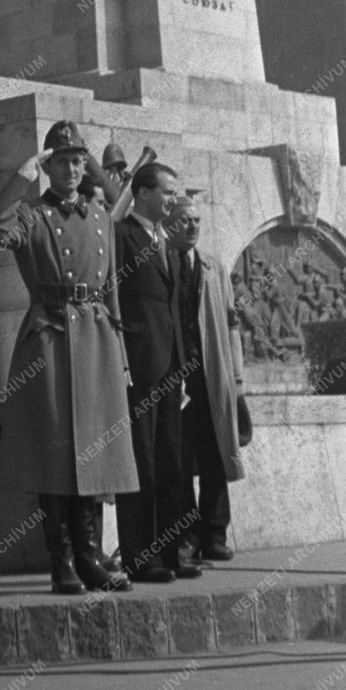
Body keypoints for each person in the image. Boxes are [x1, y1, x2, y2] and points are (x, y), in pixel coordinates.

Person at [0, 121, 136, 595]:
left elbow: (111, 288)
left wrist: (121, 351)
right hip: (50, 335)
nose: (71, 169)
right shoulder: (33, 216)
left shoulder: (101, 216)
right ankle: (62, 557)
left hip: (97, 338)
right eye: (62, 160)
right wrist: (24, 173)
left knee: (98, 451)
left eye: (77, 160)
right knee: (56, 453)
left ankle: (91, 554)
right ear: (49, 167)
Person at [114, 162, 203, 584]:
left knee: (171, 461)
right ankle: (140, 555)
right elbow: (112, 300)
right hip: (138, 366)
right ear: (143, 192)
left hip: (169, 367)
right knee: (142, 462)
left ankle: (171, 551)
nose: (172, 200)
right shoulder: (120, 237)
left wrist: (182, 366)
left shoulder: (166, 242)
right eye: (167, 193)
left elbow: (174, 308)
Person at [165, 199, 248, 562]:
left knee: (215, 453)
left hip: (210, 375)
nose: (193, 226)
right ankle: (185, 533)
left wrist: (238, 380)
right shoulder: (161, 261)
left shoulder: (215, 267)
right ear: (169, 224)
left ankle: (215, 532)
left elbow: (231, 326)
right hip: (174, 379)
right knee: (179, 457)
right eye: (185, 220)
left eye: (197, 220)